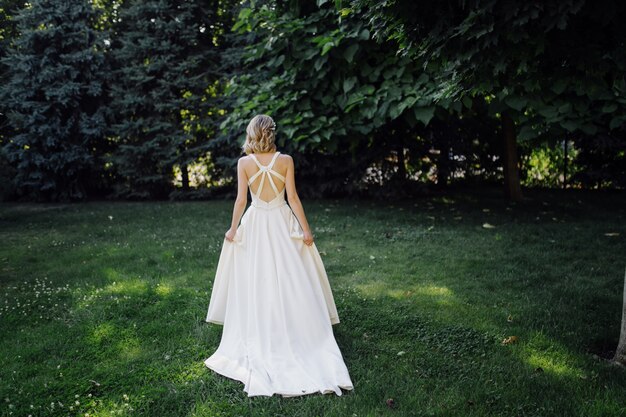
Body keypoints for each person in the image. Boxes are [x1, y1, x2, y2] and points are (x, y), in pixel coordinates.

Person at [204, 114, 354, 397]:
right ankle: (297, 327)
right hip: (282, 222)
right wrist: (306, 231)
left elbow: (241, 200)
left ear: (251, 134)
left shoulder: (244, 163)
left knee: (258, 276)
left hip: (257, 222)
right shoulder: (285, 160)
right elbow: (293, 198)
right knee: (290, 275)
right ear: (271, 133)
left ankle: (265, 323)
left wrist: (233, 228)